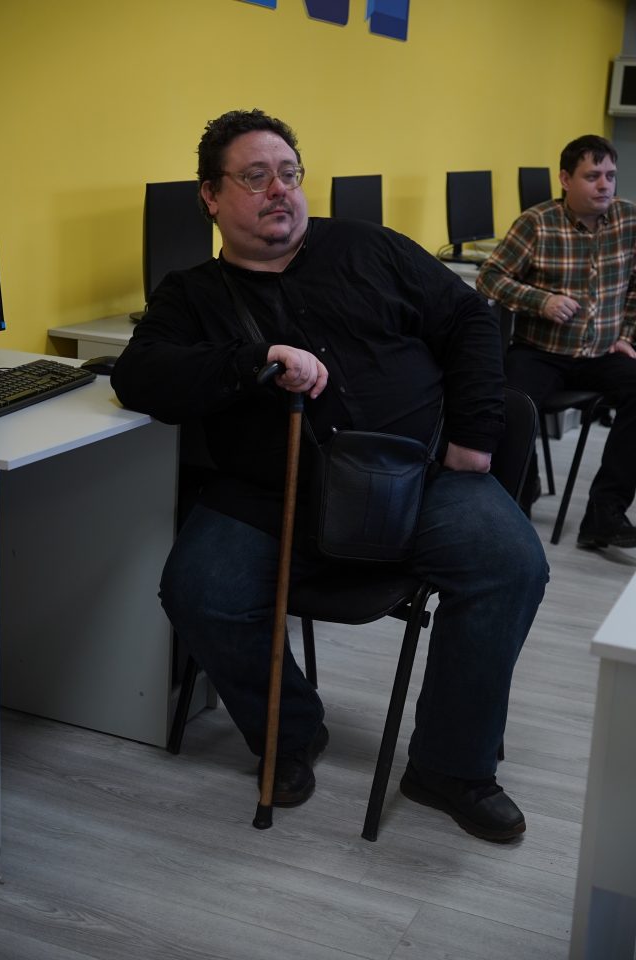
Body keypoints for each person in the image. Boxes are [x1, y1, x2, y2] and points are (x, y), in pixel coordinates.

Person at [111, 108, 548, 842]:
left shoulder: (369, 247)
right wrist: (255, 359)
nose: (279, 189)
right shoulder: (191, 295)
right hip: (273, 496)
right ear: (210, 197)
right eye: (255, 177)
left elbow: (470, 318)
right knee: (199, 591)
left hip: (416, 478)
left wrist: (475, 439)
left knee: (510, 565)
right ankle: (289, 731)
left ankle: (450, 766)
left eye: (289, 173)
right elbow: (139, 377)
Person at [477, 135, 636, 548]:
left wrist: (627, 335)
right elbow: (489, 278)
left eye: (610, 176)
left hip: (602, 352)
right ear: (565, 179)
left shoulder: (628, 220)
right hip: (540, 351)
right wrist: (541, 300)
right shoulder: (537, 223)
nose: (604, 185)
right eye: (592, 176)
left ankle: (605, 513)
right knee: (511, 402)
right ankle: (516, 500)